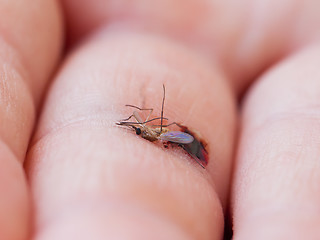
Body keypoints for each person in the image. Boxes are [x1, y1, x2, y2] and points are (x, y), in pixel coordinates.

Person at [1, 0, 320, 239]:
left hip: (175, 135)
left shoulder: (164, 133)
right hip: (170, 133)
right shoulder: (152, 129)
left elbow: (167, 134)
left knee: (177, 139)